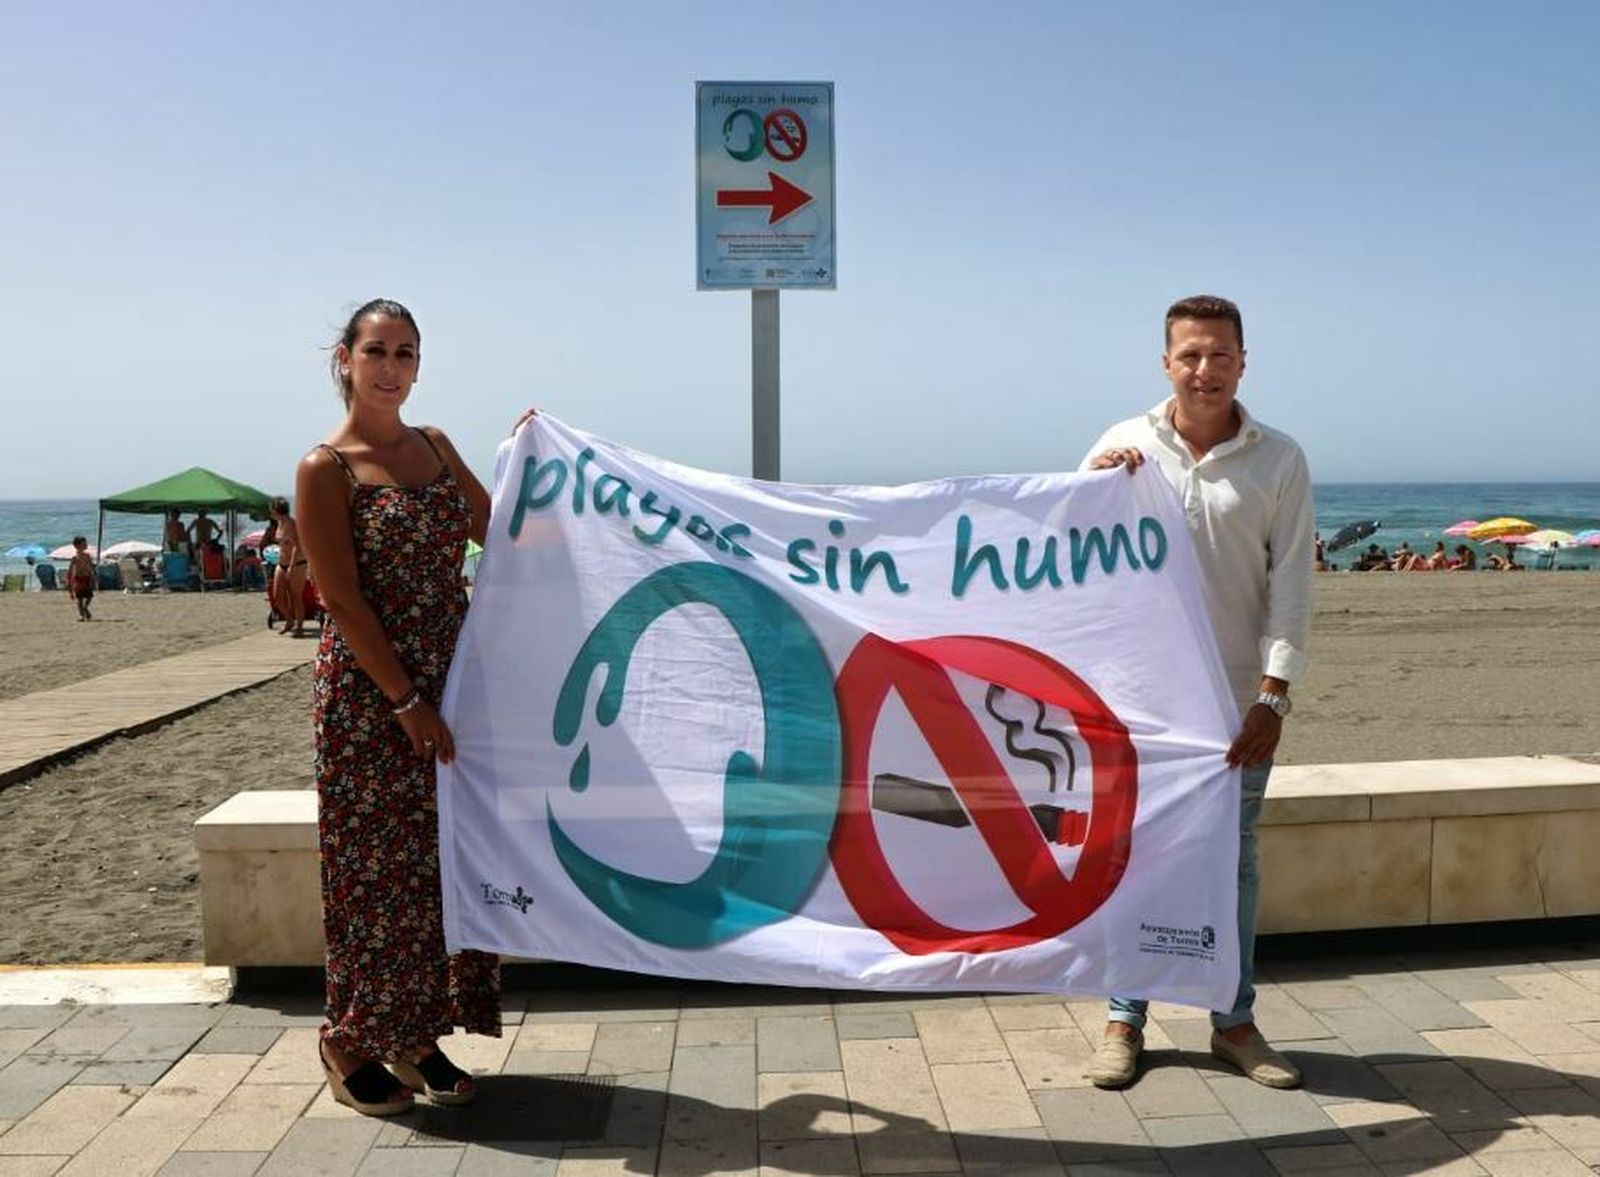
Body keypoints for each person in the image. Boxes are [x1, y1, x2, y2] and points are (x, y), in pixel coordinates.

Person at [295, 298, 523, 1117]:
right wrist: (405, 701)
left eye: (406, 353)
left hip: (452, 681)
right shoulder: (326, 466)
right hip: (371, 697)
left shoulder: (434, 446)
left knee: (437, 867)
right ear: (346, 360)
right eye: (377, 351)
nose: (391, 367)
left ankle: (415, 1034)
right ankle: (347, 1038)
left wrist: (534, 455)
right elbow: (343, 601)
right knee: (372, 872)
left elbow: (495, 525)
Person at [1080, 295, 1313, 1091]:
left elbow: (1292, 583)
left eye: (1219, 354)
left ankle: (1233, 1021)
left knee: (1232, 861)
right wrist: (1095, 495)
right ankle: (1124, 1017)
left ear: (1243, 361)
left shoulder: (1278, 459)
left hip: (1234, 703)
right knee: (1133, 854)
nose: (1204, 369)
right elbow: (1064, 564)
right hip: (1139, 702)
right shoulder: (1120, 442)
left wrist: (1274, 695)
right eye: (1190, 355)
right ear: (1166, 363)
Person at [269, 497, 309, 636]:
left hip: (296, 563)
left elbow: (297, 546)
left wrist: (291, 567)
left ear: (276, 510)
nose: (270, 513)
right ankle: (289, 619)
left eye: (271, 510)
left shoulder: (291, 524)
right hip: (281, 562)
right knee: (277, 596)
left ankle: (299, 626)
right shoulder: (279, 523)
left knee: (295, 596)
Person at [65, 537, 96, 622]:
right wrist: (69, 581)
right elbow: (70, 570)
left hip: (87, 578)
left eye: (85, 544)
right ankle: (82, 616)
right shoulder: (75, 558)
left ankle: (85, 608)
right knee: (80, 599)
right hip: (78, 579)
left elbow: (91, 566)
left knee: (89, 596)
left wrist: (93, 575)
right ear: (77, 546)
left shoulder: (87, 556)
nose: (85, 545)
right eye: (83, 544)